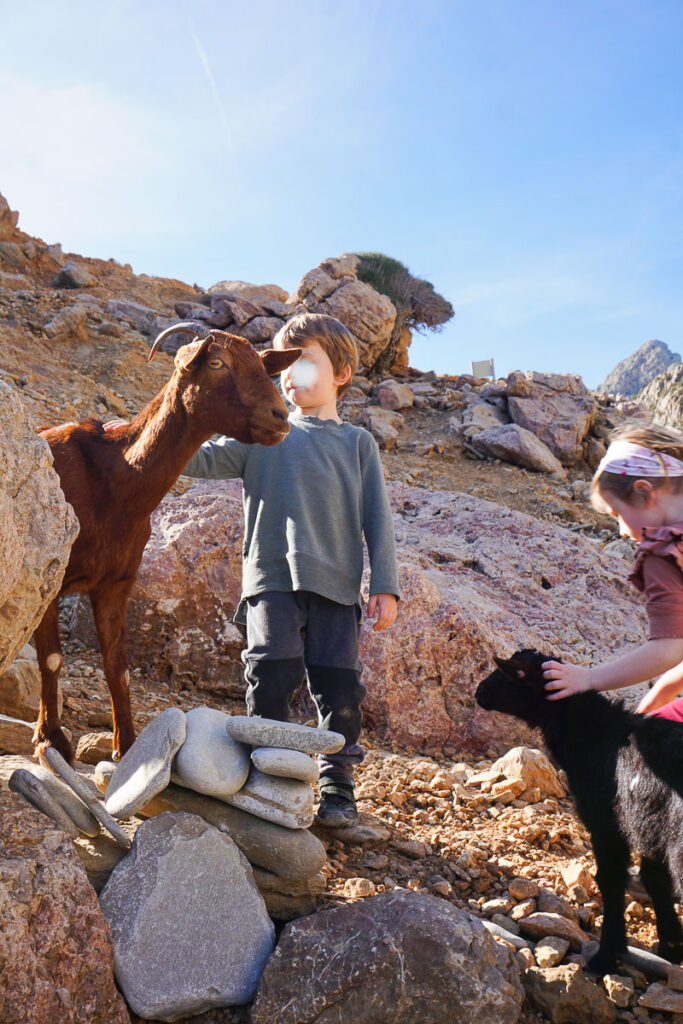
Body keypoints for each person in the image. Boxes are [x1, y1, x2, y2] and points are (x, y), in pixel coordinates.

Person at [181, 312, 400, 826]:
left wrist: (385, 586)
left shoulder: (358, 445)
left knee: (340, 689)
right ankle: (268, 777)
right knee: (269, 672)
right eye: (279, 364)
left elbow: (378, 520)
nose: (289, 374)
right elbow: (194, 458)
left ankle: (337, 788)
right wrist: (180, 410)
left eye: (303, 361)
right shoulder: (260, 435)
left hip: (338, 587)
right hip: (270, 581)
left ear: (341, 374)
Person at [543, 424, 683, 720]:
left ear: (645, 492)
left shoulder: (665, 551)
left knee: (650, 752)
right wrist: (648, 709)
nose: (620, 530)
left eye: (618, 513)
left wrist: (589, 679)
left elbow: (670, 648)